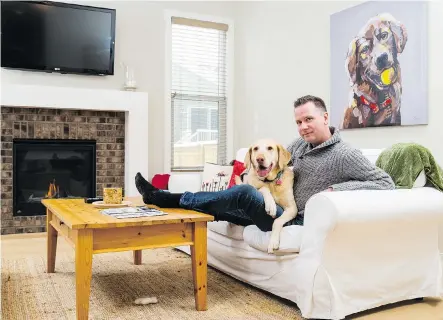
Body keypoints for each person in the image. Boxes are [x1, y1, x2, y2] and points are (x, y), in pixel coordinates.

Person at [135, 95, 395, 232]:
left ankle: (163, 197)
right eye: (298, 122)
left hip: (293, 219)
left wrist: (336, 191)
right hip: (271, 208)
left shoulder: (344, 154)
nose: (303, 127)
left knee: (244, 193)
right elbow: (269, 167)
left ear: (325, 117)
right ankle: (159, 199)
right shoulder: (297, 146)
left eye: (309, 120)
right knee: (218, 207)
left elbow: (385, 183)